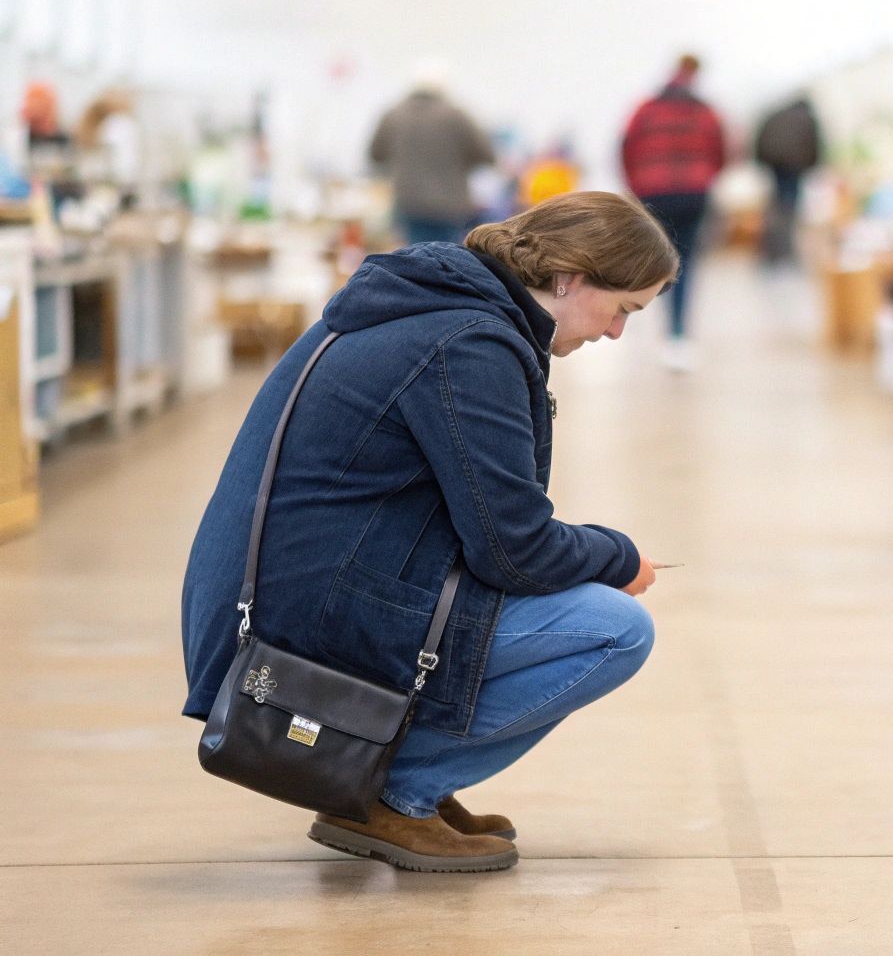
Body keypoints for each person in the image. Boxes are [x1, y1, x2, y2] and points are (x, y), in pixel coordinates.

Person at [180, 192, 677, 873]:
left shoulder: (432, 307)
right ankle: (391, 791)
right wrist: (616, 555)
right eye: (623, 308)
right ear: (569, 277)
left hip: (282, 595)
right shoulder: (468, 344)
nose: (618, 332)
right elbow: (514, 549)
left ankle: (408, 781)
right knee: (614, 628)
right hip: (300, 615)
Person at [619, 54, 726, 371]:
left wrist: (636, 184)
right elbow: (723, 151)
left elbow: (625, 147)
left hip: (653, 191)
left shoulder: (645, 109)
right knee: (686, 261)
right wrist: (706, 177)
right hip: (693, 192)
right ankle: (677, 335)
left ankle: (641, 314)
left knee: (655, 257)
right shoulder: (706, 111)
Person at [369, 60, 495, 245]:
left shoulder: (393, 115)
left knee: (411, 258)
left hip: (408, 203)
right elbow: (487, 155)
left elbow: (375, 155)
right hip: (450, 206)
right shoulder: (456, 116)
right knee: (447, 260)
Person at [753, 96, 821, 267]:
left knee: (777, 205)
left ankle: (773, 249)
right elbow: (814, 144)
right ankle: (785, 250)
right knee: (789, 207)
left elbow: (761, 139)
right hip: (795, 167)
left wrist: (762, 162)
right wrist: (812, 165)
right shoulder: (806, 119)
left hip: (775, 165)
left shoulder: (776, 114)